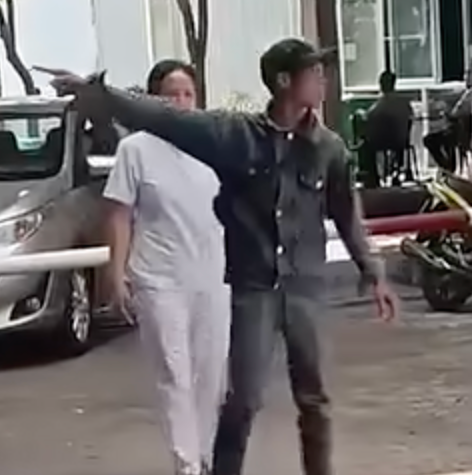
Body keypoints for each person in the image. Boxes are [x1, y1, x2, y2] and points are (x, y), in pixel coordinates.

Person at [37, 37, 398, 475]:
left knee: (314, 398)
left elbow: (347, 214)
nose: (323, 79)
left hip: (305, 286)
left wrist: (373, 271)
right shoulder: (236, 137)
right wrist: (100, 94)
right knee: (243, 399)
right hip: (254, 287)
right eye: (314, 71)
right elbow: (165, 118)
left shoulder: (329, 148)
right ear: (284, 81)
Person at [102, 59, 230, 475]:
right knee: (175, 373)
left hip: (213, 275)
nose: (181, 102)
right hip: (159, 278)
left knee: (211, 375)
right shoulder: (135, 149)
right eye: (172, 94)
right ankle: (186, 463)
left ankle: (206, 455)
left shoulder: (213, 144)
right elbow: (119, 214)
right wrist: (116, 273)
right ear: (154, 100)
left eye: (188, 94)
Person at [360, 70, 414, 187]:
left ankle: (372, 176)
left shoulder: (383, 102)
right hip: (402, 140)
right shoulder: (403, 102)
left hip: (385, 141)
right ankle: (399, 169)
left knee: (366, 145)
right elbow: (410, 114)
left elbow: (369, 115)